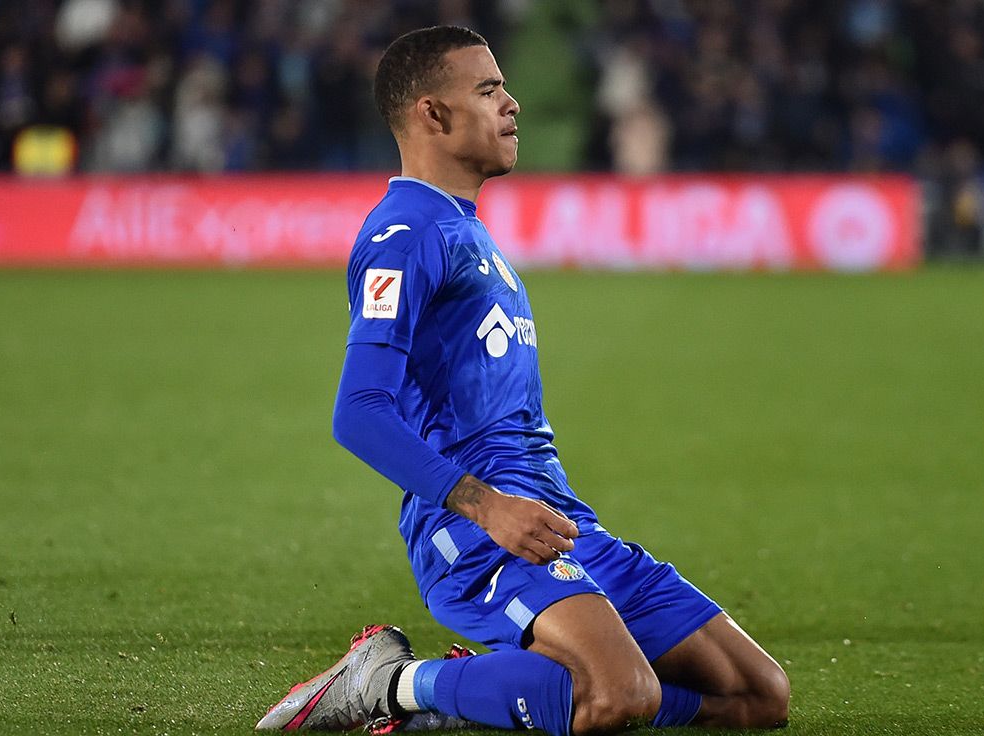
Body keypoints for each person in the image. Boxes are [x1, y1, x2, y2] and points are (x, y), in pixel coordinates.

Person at [256, 26, 789, 735]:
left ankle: (507, 701)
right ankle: (393, 683)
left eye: (503, 87)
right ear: (432, 114)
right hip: (477, 523)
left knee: (758, 697)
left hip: (557, 517)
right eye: (488, 90)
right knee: (620, 694)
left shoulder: (464, 228)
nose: (512, 105)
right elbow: (358, 411)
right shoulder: (404, 233)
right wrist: (485, 507)